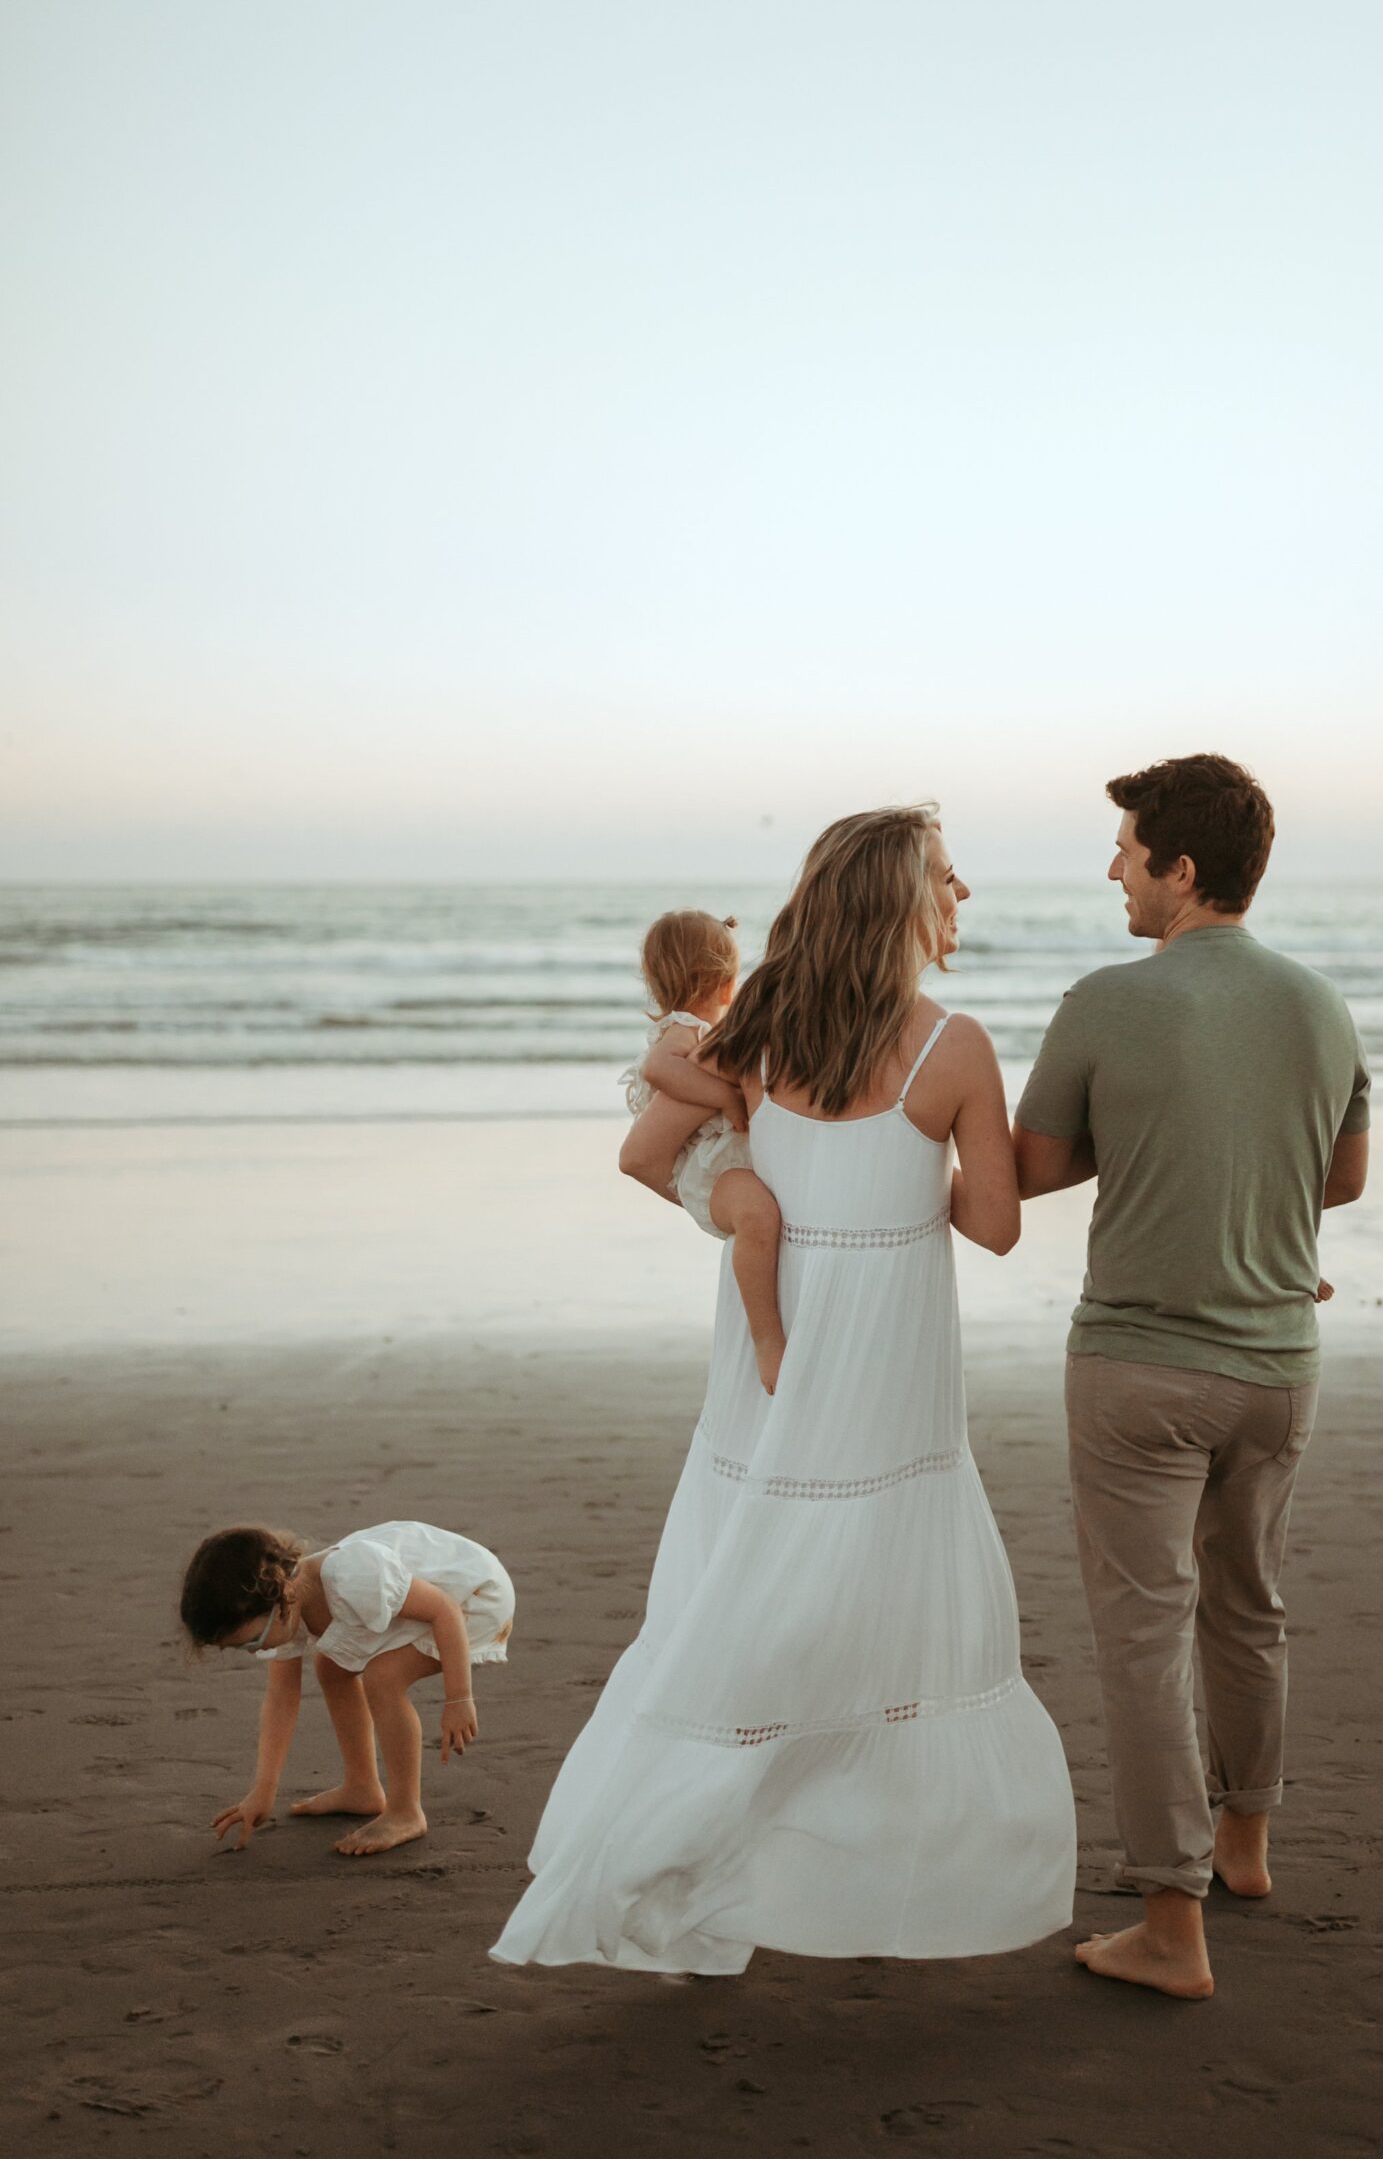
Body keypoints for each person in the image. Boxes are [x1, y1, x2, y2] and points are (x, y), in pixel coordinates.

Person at [492, 806, 1076, 1975]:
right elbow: (1000, 1228)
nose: (964, 901)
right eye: (950, 882)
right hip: (883, 1356)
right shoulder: (952, 1045)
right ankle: (822, 1852)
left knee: (755, 1577)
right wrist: (913, 1194)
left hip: (771, 1347)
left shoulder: (754, 1020)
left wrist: (748, 1200)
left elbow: (647, 1157)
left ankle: (680, 1837)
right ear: (904, 901)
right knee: (858, 1592)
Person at [1014, 753, 1370, 2000]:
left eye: (1127, 849)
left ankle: (1172, 1922)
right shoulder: (1323, 1004)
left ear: (1180, 868)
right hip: (1280, 1367)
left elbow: (1035, 1165)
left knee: (1142, 1632)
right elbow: (1343, 1178)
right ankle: (1244, 1845)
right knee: (1249, 1605)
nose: (1112, 867)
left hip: (1141, 1369)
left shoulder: (1108, 999)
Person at [179, 1518, 516, 1859]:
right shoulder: (288, 1608)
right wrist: (263, 1790)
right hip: (425, 1603)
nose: (256, 1651)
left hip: (475, 1597)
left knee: (383, 1678)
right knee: (331, 1665)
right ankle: (362, 1787)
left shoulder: (354, 1577)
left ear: (282, 1596)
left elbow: (444, 1610)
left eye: (252, 1641)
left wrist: (458, 1698)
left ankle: (405, 1811)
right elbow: (281, 1700)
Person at [618, 909, 786, 1393]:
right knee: (757, 1216)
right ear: (724, 982)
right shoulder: (685, 1029)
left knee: (762, 1216)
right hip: (709, 1166)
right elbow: (659, 1070)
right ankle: (767, 1339)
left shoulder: (703, 1030)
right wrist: (726, 1096)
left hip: (718, 1161)